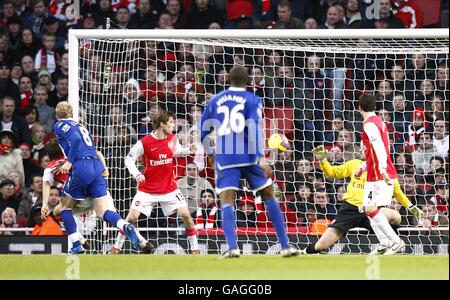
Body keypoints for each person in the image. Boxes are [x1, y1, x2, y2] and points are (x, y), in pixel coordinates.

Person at [199, 66, 299, 258]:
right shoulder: (253, 99)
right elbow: (253, 126)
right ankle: (285, 246)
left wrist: (211, 153)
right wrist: (261, 156)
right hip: (249, 156)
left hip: (226, 156)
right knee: (268, 195)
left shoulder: (215, 100)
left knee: (227, 199)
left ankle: (233, 248)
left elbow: (204, 130)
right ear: (248, 82)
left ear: (228, 80)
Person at [52, 101, 141, 254]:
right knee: (102, 212)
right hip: (95, 166)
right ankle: (124, 225)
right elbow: (92, 148)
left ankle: (76, 245)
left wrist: (69, 161)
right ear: (72, 114)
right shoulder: (81, 126)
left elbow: (75, 140)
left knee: (64, 207)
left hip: (81, 166)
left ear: (57, 115)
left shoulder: (60, 125)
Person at [301, 145, 423, 255]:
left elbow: (397, 192)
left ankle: (389, 243)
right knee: (321, 245)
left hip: (370, 211)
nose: (360, 149)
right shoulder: (354, 164)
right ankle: (304, 251)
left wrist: (410, 207)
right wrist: (322, 160)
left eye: (363, 147)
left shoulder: (384, 170)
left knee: (396, 216)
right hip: (349, 210)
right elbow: (332, 172)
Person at [112, 110, 200, 255]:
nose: (173, 125)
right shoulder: (144, 142)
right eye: (171, 122)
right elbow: (129, 159)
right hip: (147, 189)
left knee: (186, 215)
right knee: (131, 218)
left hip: (169, 188)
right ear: (162, 124)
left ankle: (195, 250)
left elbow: (175, 151)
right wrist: (137, 174)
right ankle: (116, 248)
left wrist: (188, 150)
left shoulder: (172, 138)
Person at [357, 93, 406, 255]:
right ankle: (384, 242)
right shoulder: (379, 122)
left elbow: (379, 147)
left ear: (359, 108)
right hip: (375, 172)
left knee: (370, 208)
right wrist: (364, 167)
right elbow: (384, 148)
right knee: (368, 209)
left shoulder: (369, 124)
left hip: (380, 173)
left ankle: (396, 241)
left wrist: (383, 168)